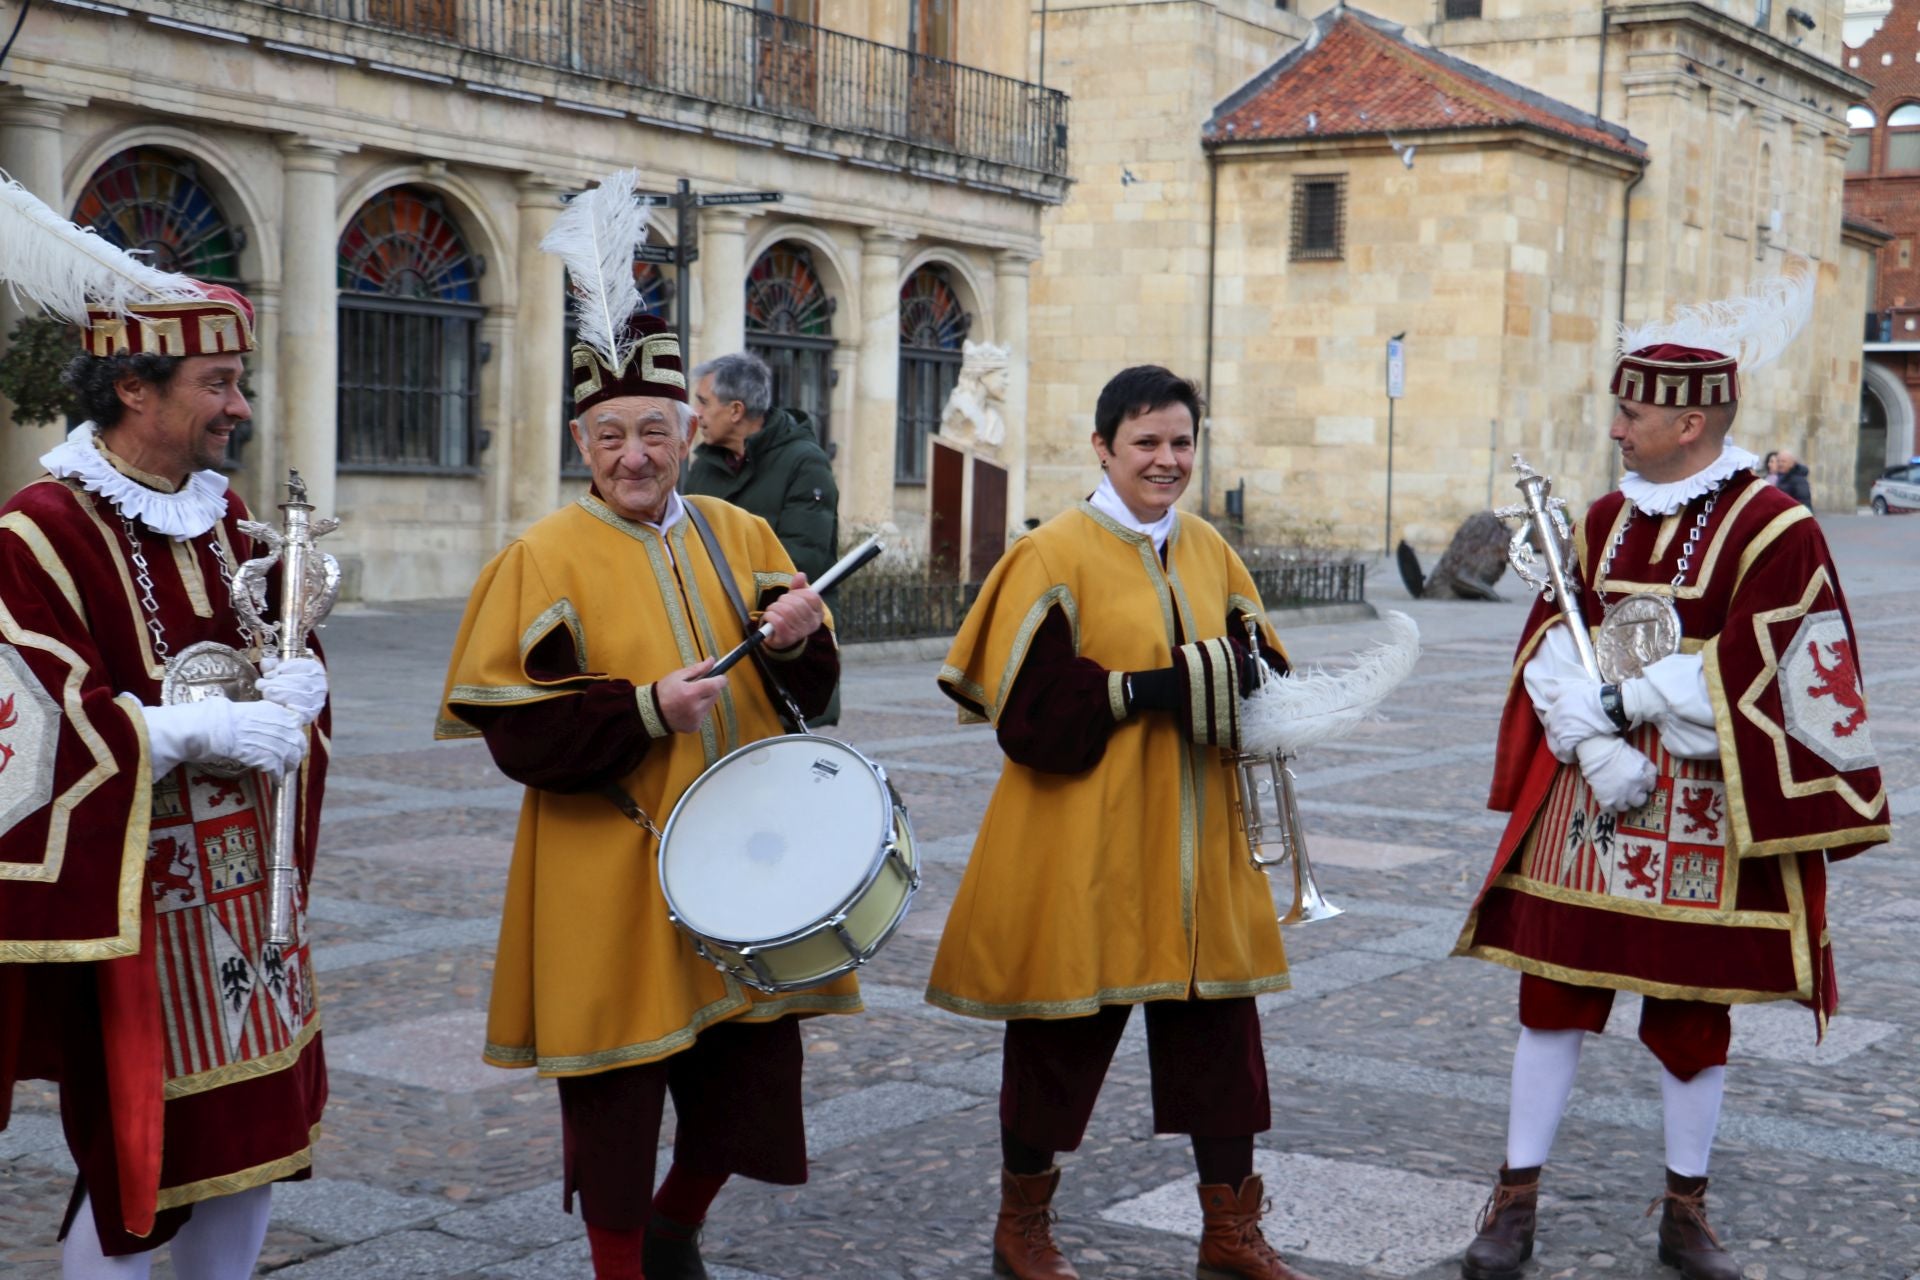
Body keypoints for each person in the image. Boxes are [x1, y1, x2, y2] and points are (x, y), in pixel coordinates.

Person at [1452, 275, 1890, 1280]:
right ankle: (1514, 1196)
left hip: (1705, 799)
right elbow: (1556, 644)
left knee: (1695, 1012)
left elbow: (1780, 664)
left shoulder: (1777, 528)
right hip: (1592, 799)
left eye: (1632, 411)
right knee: (1550, 991)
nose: (1614, 426)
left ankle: (1685, 1210)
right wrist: (1590, 732)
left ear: (1690, 421)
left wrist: (1640, 703)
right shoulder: (1604, 518)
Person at [437, 311, 856, 1280]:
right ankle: (624, 1261)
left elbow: (811, 698)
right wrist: (641, 710)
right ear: (582, 444)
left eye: (655, 431)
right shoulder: (541, 557)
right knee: (617, 1098)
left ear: (690, 431)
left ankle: (678, 1225)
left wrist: (798, 637)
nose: (635, 456)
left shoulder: (742, 531)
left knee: (745, 1080)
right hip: (608, 868)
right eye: (611, 436)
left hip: (749, 862)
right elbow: (519, 735)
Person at [927, 365, 1316, 1280]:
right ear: (1102, 447)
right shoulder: (1051, 553)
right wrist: (1145, 688)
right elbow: (1026, 719)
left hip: (1198, 839)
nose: (1167, 460)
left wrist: (1254, 681)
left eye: (1181, 442)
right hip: (1083, 837)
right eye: (1146, 442)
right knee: (1059, 1036)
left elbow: (1258, 667)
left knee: (1222, 1040)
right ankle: (1021, 1224)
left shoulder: (1211, 549)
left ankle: (1230, 1231)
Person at [0, 284, 332, 1278]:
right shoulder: (37, 527)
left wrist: (303, 682)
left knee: (258, 1120)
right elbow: (30, 718)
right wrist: (187, 729)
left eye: (240, 382)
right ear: (135, 389)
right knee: (138, 1148)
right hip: (132, 890)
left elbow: (268, 640)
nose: (239, 405)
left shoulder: (223, 511)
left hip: (246, 881)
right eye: (217, 383)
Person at [685, 351, 838, 581]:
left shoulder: (805, 464)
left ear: (736, 410)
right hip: (719, 614)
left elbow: (799, 563)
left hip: (785, 613)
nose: (696, 412)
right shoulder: (704, 466)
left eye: (704, 402)